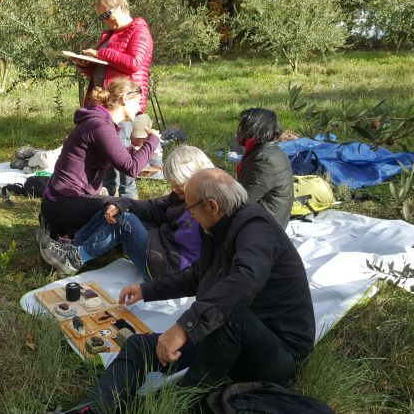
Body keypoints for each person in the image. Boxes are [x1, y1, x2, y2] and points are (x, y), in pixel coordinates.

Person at [75, 168, 315, 413]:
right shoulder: (217, 227)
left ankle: (178, 403)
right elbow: (199, 275)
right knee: (139, 346)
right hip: (227, 336)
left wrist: (184, 327)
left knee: (228, 315)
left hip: (278, 353)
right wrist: (147, 290)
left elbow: (245, 280)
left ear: (212, 206)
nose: (189, 216)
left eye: (190, 208)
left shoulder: (257, 227)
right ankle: (92, 409)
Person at [39, 145, 214, 278]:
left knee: (123, 220)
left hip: (167, 270)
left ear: (195, 177)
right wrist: (120, 203)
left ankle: (73, 259)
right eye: (173, 183)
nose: (174, 187)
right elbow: (154, 207)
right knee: (114, 209)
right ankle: (72, 247)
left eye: (179, 183)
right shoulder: (183, 195)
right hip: (160, 248)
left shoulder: (207, 209)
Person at [38, 79, 160, 246]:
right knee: (124, 208)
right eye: (137, 103)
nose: (140, 109)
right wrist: (153, 140)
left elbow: (118, 157)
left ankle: (72, 234)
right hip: (63, 205)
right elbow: (131, 167)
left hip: (62, 202)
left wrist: (134, 150)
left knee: (120, 210)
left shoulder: (101, 122)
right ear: (124, 99)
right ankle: (70, 243)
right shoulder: (99, 126)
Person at [74, 0, 153, 199]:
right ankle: (107, 198)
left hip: (123, 103)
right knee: (104, 153)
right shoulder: (109, 34)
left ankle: (129, 202)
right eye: (102, 17)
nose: (106, 19)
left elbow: (134, 63)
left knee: (124, 153)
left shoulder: (139, 30)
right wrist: (85, 65)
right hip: (104, 102)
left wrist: (101, 53)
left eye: (108, 14)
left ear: (120, 6)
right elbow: (104, 67)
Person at [233, 108, 294, 228]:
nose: (239, 131)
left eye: (242, 126)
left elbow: (245, 199)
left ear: (254, 129)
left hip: (265, 225)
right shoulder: (262, 151)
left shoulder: (265, 160)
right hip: (262, 215)